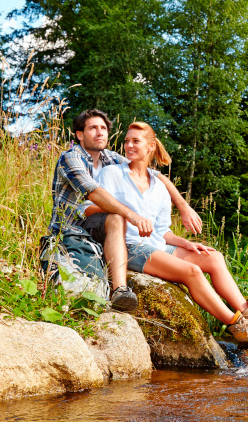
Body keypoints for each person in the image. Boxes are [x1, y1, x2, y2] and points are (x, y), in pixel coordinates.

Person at [84, 121, 248, 344]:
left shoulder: (159, 186)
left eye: (135, 141)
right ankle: (236, 325)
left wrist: (186, 244)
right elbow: (89, 209)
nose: (129, 145)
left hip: (158, 246)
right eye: (127, 141)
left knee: (214, 258)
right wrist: (128, 214)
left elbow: (163, 232)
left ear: (150, 147)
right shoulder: (111, 173)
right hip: (130, 246)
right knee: (193, 271)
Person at [42, 109, 202, 311]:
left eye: (103, 128)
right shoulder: (71, 158)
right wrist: (133, 216)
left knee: (117, 219)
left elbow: (157, 175)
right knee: (118, 217)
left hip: (103, 229)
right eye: (92, 128)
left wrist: (183, 206)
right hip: (73, 230)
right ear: (80, 135)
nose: (100, 133)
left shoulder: (110, 158)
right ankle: (120, 290)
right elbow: (94, 193)